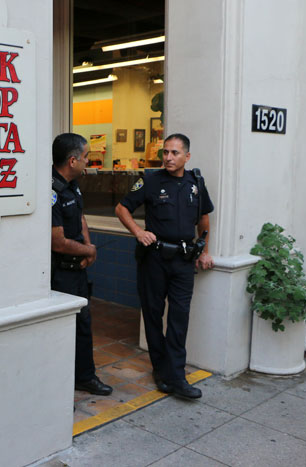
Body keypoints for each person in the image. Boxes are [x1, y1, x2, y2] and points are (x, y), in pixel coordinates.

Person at [115, 133, 214, 399]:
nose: (168, 158)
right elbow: (122, 208)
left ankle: (177, 375)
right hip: (154, 259)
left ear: (187, 157)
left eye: (174, 153)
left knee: (179, 317)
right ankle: (160, 369)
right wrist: (137, 231)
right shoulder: (149, 180)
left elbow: (203, 219)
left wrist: (204, 250)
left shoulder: (196, 183)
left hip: (183, 260)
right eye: (165, 152)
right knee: (153, 314)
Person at [51, 133, 113, 396]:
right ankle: (61, 383)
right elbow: (57, 242)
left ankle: (85, 377)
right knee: (63, 330)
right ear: (73, 160)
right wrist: (87, 249)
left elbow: (81, 217)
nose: (89, 161)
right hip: (60, 273)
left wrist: (89, 248)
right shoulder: (52, 190)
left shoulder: (73, 184)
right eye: (86, 157)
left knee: (83, 326)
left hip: (77, 270)